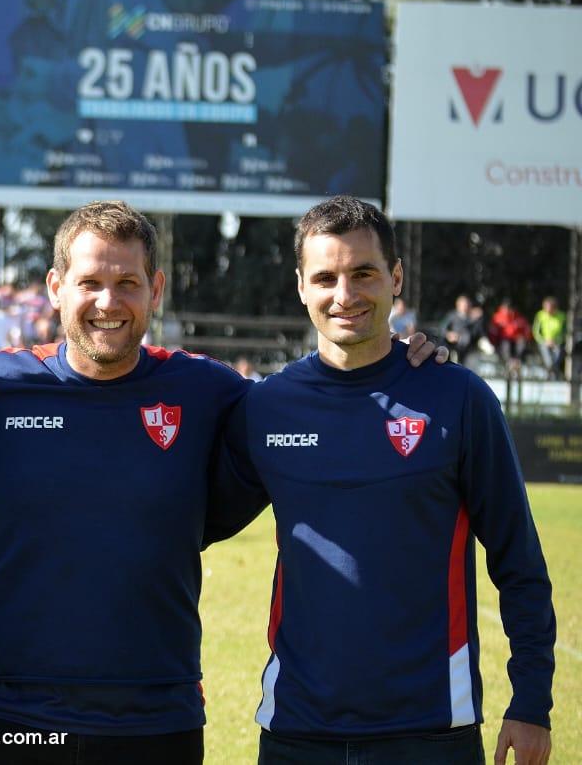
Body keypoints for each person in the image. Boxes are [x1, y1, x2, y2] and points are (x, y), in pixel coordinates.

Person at [0, 201, 445, 764]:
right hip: (12, 714)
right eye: (89, 282)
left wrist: (407, 361)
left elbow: (306, 416)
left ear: (156, 290)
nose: (107, 302)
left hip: (157, 716)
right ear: (55, 287)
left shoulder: (207, 390)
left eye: (126, 283)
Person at [217, 196, 554, 765]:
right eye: (325, 277)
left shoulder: (458, 397)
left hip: (430, 732)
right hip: (297, 730)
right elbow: (181, 523)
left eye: (363, 273)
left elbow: (519, 562)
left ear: (395, 277)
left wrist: (531, 702)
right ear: (301, 286)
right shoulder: (267, 407)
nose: (344, 295)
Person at [490, 298, 532, 372]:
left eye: (509, 308)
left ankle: (516, 362)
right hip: (503, 341)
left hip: (516, 341)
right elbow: (493, 332)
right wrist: (494, 343)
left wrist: (525, 337)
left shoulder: (518, 317)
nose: (508, 310)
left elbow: (526, 330)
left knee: (521, 343)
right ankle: (510, 363)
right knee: (506, 344)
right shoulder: (497, 318)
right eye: (506, 308)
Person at [533, 296, 566, 380]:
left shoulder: (562, 316)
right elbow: (536, 332)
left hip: (557, 342)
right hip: (543, 342)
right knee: (548, 359)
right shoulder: (540, 315)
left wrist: (556, 340)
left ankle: (551, 375)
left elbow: (565, 332)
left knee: (558, 354)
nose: (547, 310)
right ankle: (553, 375)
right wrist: (544, 341)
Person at [441, 294, 477, 363]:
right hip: (454, 347)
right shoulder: (452, 316)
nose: (465, 307)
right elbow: (442, 328)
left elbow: (475, 333)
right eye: (463, 305)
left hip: (468, 349)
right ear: (458, 305)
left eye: (467, 305)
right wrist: (448, 335)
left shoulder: (472, 318)